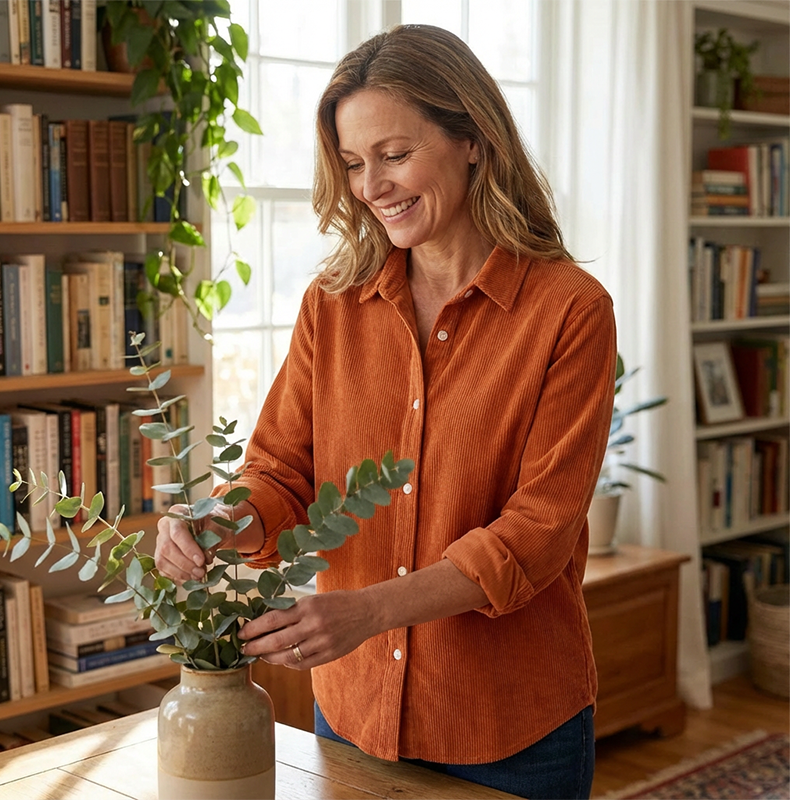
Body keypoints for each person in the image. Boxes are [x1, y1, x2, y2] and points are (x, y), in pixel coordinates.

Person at [155, 23, 616, 800]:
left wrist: (370, 610)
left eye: (395, 154)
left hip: (511, 728)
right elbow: (279, 472)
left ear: (472, 138)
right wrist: (221, 520)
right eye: (353, 164)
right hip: (357, 710)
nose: (372, 186)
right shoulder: (330, 305)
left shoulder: (570, 311)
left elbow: (539, 532)